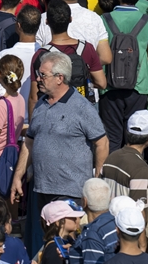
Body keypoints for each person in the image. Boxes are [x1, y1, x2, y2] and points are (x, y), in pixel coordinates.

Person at [10, 52, 108, 208]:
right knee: (46, 233)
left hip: (71, 192)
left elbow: (102, 143)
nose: (39, 79)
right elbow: (29, 142)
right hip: (41, 190)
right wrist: (18, 176)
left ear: (60, 78)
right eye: (38, 74)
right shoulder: (41, 104)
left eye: (43, 75)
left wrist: (97, 179)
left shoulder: (82, 108)